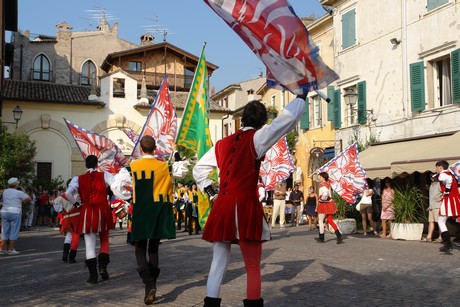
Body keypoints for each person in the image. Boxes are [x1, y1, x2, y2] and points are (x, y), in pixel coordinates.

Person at [193, 94, 306, 307]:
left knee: (218, 263)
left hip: (223, 206)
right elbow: (285, 122)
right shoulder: (257, 138)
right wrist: (300, 98)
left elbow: (198, 169)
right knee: (252, 266)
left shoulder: (221, 144)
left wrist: (210, 191)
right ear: (262, 121)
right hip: (245, 205)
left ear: (242, 119)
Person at [126, 136, 177, 305]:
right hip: (157, 210)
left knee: (139, 248)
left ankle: (149, 284)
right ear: (155, 148)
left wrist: (129, 199)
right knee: (154, 248)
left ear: (141, 149)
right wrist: (176, 152)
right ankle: (152, 285)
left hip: (141, 209)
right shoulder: (164, 165)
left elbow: (119, 188)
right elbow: (180, 171)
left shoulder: (131, 166)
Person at [66, 155, 117, 284]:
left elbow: (68, 193)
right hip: (103, 210)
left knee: (90, 245)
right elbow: (116, 186)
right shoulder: (105, 175)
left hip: (87, 211)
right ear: (97, 164)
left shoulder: (78, 179)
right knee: (104, 239)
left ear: (85, 165)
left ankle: (93, 276)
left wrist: (76, 204)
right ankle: (102, 267)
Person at [0, 178, 31, 255]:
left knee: (4, 230)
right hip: (15, 212)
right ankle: (11, 249)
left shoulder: (5, 191)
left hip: (4, 211)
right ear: (16, 184)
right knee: (14, 231)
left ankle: (2, 249)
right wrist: (23, 190)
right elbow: (29, 199)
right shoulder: (19, 192)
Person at [435, 160, 460, 253]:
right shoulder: (451, 174)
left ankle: (448, 244)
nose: (436, 169)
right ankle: (448, 244)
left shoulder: (443, 175)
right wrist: (444, 195)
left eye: (436, 167)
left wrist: (447, 191)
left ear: (440, 167)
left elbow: (448, 181)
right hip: (454, 199)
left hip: (450, 201)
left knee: (441, 221)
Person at [54, 180, 81, 263]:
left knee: (68, 236)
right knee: (76, 236)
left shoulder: (61, 197)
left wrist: (63, 212)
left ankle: (65, 256)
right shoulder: (78, 196)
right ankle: (72, 257)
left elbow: (56, 208)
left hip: (66, 218)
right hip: (76, 217)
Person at [315, 172, 343, 244]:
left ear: (323, 178)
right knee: (330, 220)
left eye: (320, 177)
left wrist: (321, 199)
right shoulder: (328, 184)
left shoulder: (322, 185)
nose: (319, 178)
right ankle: (338, 235)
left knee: (320, 221)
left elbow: (325, 194)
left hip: (324, 204)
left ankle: (321, 237)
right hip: (329, 204)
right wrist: (318, 172)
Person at [422, 173, 443, 242]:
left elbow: (445, 192)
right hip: (432, 206)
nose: (431, 178)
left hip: (438, 205)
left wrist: (441, 198)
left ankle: (441, 237)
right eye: (430, 176)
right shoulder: (432, 184)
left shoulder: (440, 183)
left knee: (439, 222)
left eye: (433, 176)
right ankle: (429, 237)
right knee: (431, 221)